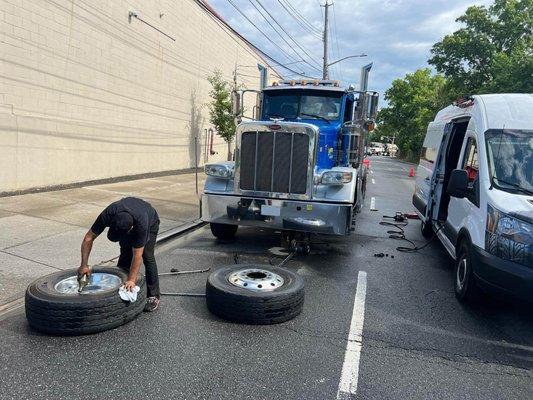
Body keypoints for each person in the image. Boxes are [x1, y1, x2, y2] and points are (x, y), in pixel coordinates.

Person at [77, 197, 161, 312]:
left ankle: (154, 295)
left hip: (150, 221)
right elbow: (88, 238)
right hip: (129, 216)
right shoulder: (109, 213)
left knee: (147, 256)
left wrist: (132, 279)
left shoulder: (142, 224)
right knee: (125, 251)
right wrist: (83, 265)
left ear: (130, 229)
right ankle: (121, 281)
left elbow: (138, 255)